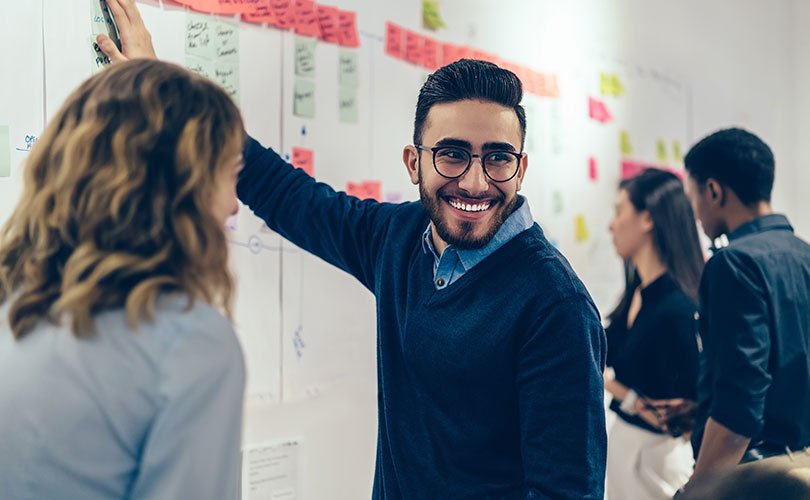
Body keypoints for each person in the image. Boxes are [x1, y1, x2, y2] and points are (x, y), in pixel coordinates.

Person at [95, 1, 609, 497]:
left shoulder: (554, 305)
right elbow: (288, 195)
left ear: (520, 168)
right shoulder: (401, 238)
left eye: (497, 158)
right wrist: (164, 93)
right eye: (452, 155)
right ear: (414, 162)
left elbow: (567, 491)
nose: (475, 182)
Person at [0, 59, 247, 499]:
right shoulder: (190, 344)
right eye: (230, 175)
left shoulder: (13, 304)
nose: (233, 206)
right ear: (181, 190)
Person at [671, 127, 810, 494]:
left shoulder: (733, 263)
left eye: (694, 197)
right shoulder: (804, 254)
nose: (697, 214)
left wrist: (697, 490)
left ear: (714, 191)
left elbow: (740, 406)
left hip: (756, 478)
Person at [603, 168, 704, 499]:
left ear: (647, 219)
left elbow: (679, 412)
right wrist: (627, 395)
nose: (611, 225)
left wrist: (618, 390)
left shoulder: (677, 308)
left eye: (619, 212)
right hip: (625, 452)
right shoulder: (636, 294)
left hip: (657, 465)